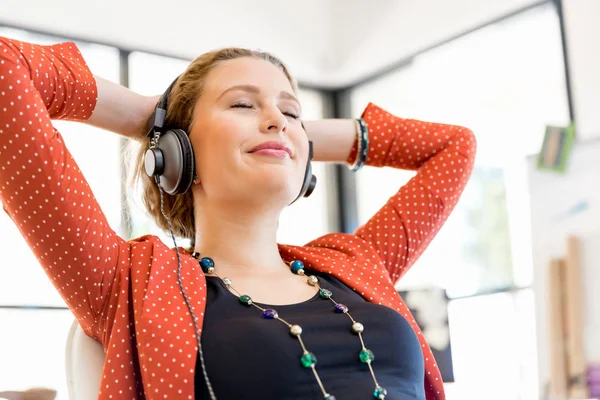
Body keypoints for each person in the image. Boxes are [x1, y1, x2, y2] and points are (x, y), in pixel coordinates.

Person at [0, 34, 476, 400]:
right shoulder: (127, 283)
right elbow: (5, 68)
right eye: (243, 104)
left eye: (292, 111)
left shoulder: (356, 264)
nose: (277, 120)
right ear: (179, 151)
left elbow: (456, 147)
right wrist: (151, 120)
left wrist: (299, 141)